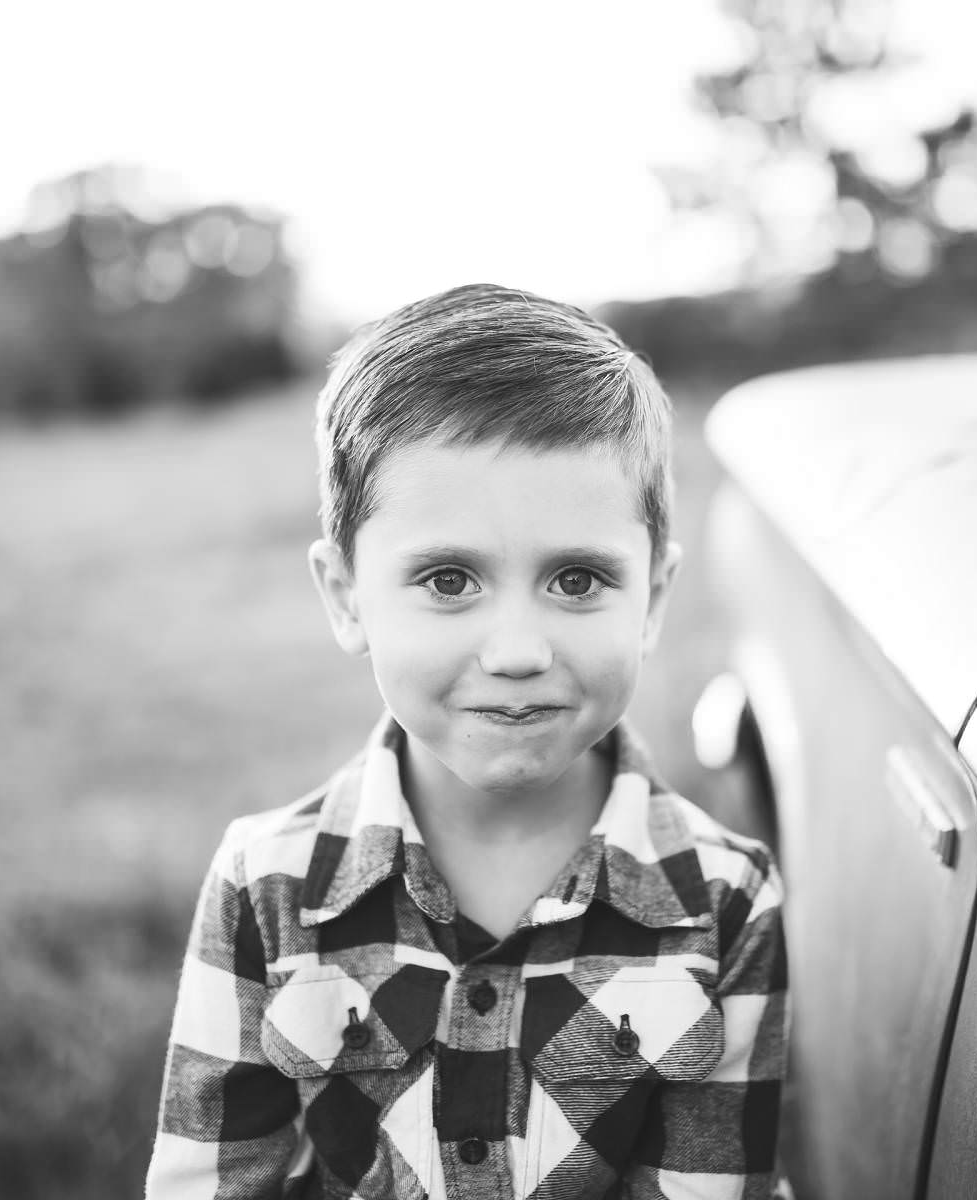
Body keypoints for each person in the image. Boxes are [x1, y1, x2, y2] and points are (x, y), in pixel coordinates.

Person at [144, 284, 787, 1199]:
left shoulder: (727, 899)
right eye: (449, 580)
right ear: (345, 596)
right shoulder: (265, 888)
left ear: (653, 599)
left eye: (578, 579)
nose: (519, 652)